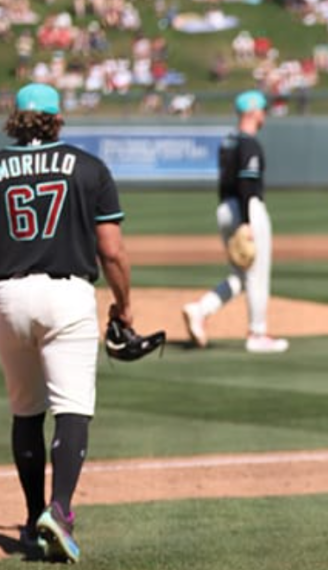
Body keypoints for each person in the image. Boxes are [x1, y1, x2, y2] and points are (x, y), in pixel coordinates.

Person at [0, 83, 134, 563]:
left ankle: (36, 517)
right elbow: (112, 250)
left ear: (16, 119)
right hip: (67, 293)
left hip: (7, 295)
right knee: (72, 407)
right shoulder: (88, 166)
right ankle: (59, 511)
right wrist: (124, 305)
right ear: (58, 120)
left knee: (26, 411)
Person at [182, 90, 289, 353]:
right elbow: (246, 183)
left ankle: (201, 309)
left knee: (240, 275)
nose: (264, 114)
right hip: (246, 208)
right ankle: (258, 334)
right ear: (253, 111)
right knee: (257, 275)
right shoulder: (249, 143)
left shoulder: (228, 141)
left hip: (225, 207)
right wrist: (246, 221)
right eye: (262, 109)